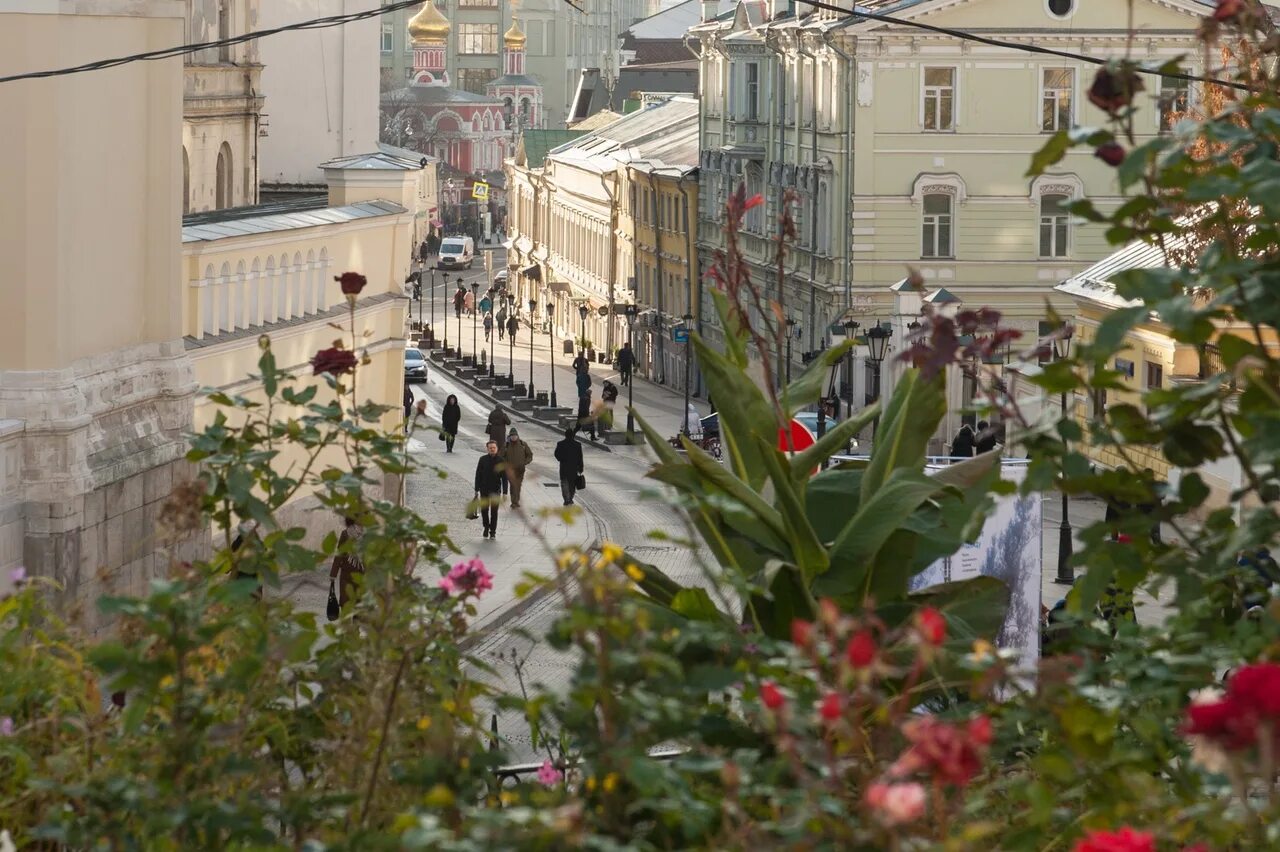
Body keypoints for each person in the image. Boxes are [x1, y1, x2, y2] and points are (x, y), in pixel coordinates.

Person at [329, 516, 364, 610]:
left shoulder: (369, 535)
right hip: (347, 574)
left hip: (362, 574)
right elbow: (339, 554)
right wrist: (333, 574)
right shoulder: (345, 534)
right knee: (346, 604)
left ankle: (356, 624)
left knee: (360, 605)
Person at [474, 441, 505, 539]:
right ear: (487, 449)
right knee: (484, 510)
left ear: (497, 448)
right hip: (484, 489)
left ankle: (493, 532)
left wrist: (505, 491)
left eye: (494, 447)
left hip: (495, 489)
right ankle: (486, 527)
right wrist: (476, 488)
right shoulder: (482, 459)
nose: (492, 449)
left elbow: (504, 477)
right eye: (490, 447)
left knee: (494, 512)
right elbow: (478, 474)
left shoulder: (501, 460)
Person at [502, 427, 534, 508]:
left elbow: (529, 455)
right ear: (509, 436)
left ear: (517, 436)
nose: (513, 437)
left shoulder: (523, 444)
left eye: (515, 436)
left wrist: (524, 463)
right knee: (513, 485)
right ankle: (514, 502)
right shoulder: (506, 445)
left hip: (520, 469)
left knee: (518, 485)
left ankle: (516, 501)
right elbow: (501, 456)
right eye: (512, 436)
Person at [555, 428, 584, 506]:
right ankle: (570, 498)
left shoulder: (560, 444)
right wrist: (581, 467)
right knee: (572, 484)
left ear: (565, 435)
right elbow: (580, 457)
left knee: (564, 483)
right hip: (573, 468)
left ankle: (566, 499)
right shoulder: (577, 445)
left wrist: (561, 459)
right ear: (573, 435)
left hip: (564, 467)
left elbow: (556, 454)